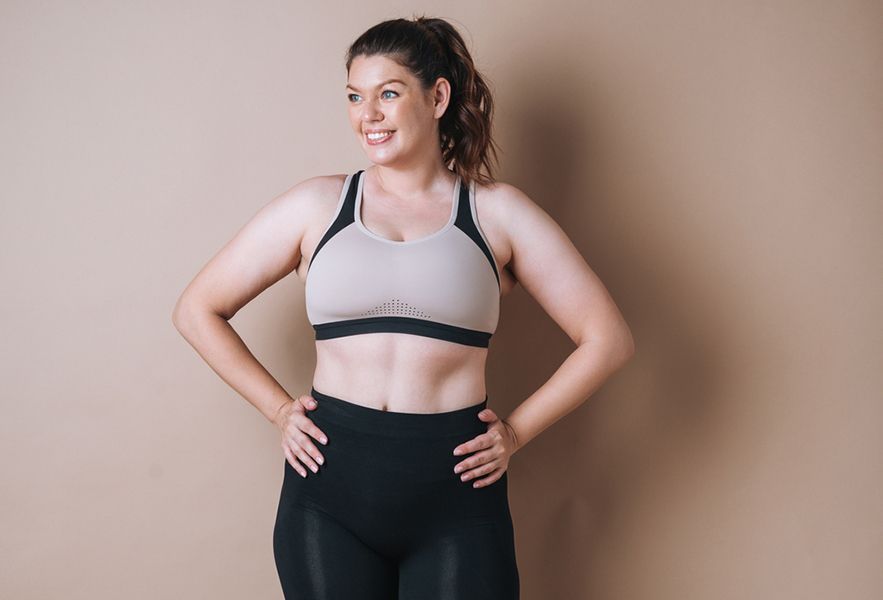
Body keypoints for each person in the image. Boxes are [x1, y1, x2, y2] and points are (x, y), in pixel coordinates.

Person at [172, 15, 635, 600]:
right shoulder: (317, 206)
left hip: (456, 499)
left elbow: (607, 339)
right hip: (327, 496)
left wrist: (515, 433)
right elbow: (197, 309)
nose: (368, 115)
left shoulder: (497, 214)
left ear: (437, 96)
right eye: (354, 97)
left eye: (388, 94)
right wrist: (278, 411)